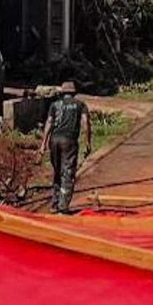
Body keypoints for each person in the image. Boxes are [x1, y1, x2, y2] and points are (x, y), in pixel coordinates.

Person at [38, 81, 91, 213]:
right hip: (69, 141)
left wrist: (43, 144)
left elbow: (49, 123)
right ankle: (63, 206)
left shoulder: (55, 105)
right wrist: (87, 142)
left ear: (62, 93)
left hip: (54, 140)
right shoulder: (80, 105)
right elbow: (86, 123)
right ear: (74, 93)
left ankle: (54, 204)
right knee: (67, 172)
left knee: (57, 171)